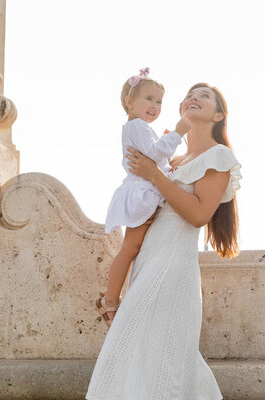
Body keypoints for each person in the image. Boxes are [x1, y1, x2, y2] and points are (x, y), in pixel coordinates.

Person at [86, 83, 241, 399]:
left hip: (173, 270)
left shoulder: (219, 156)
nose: (194, 97)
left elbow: (198, 215)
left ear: (219, 114)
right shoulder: (174, 160)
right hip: (148, 266)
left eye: (204, 96)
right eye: (190, 95)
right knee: (137, 358)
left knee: (163, 361)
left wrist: (154, 176)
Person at [99, 68, 192, 327]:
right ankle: (110, 301)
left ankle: (113, 299)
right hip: (142, 193)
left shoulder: (139, 128)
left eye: (159, 101)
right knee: (131, 248)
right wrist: (178, 132)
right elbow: (151, 156)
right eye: (149, 99)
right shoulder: (137, 125)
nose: (155, 105)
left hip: (146, 189)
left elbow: (154, 157)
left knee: (135, 248)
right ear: (129, 101)